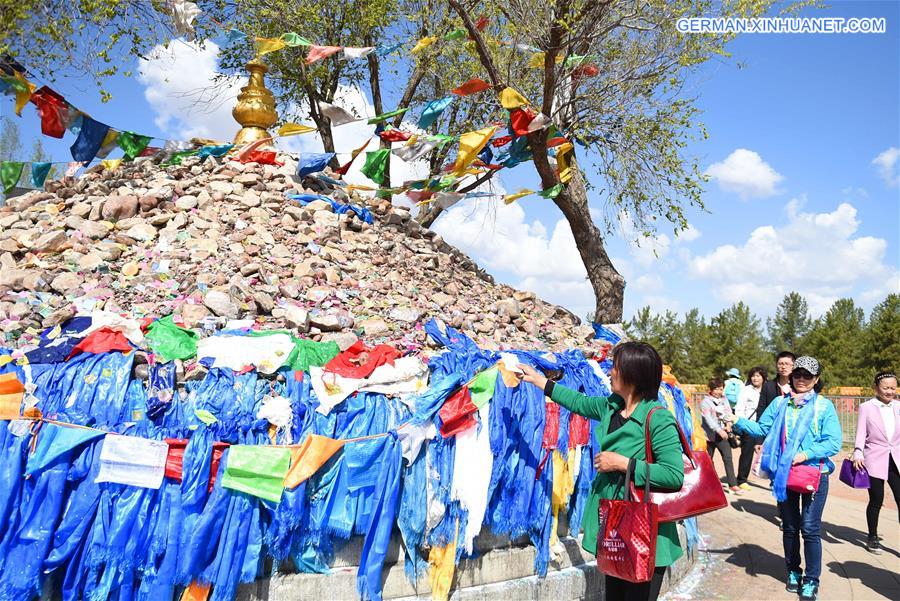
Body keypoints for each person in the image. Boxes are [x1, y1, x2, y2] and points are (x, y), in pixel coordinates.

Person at [517, 341, 684, 601]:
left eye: (616, 368)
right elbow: (579, 402)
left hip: (644, 531)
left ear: (633, 375)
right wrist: (540, 381)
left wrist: (623, 463)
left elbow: (673, 475)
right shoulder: (612, 406)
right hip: (615, 526)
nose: (610, 372)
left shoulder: (658, 418)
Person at [733, 356, 842, 601]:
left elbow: (833, 441)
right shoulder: (781, 404)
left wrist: (805, 454)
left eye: (807, 375)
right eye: (798, 375)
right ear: (792, 377)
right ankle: (793, 571)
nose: (801, 379)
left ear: (816, 379)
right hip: (785, 475)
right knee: (790, 527)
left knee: (810, 529)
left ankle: (812, 579)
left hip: (815, 475)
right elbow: (762, 429)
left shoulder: (824, 407)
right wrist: (736, 421)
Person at [852, 371, 899, 554]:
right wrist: (858, 452)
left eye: (893, 388)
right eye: (886, 388)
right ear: (876, 388)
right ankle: (872, 537)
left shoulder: (898, 406)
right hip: (874, 459)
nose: (889, 391)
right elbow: (861, 432)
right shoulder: (867, 407)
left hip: (896, 459)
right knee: (876, 499)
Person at [701, 377, 740, 494]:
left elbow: (728, 413)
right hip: (709, 436)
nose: (719, 391)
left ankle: (733, 484)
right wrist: (719, 430)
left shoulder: (724, 399)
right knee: (708, 461)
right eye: (716, 389)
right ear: (711, 389)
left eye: (721, 389)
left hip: (723, 435)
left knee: (728, 458)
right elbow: (709, 419)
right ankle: (710, 483)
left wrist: (729, 424)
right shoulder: (705, 402)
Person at [734, 366, 767, 489]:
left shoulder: (767, 390)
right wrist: (742, 424)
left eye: (758, 375)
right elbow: (739, 409)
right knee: (747, 454)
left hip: (764, 427)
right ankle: (742, 480)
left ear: (763, 377)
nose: (755, 378)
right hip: (750, 426)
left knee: (768, 453)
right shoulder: (746, 390)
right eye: (753, 376)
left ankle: (772, 479)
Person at [759, 352, 795, 418]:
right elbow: (761, 410)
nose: (783, 367)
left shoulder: (798, 386)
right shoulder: (768, 386)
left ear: (793, 366)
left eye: (787, 364)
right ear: (776, 366)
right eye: (780, 364)